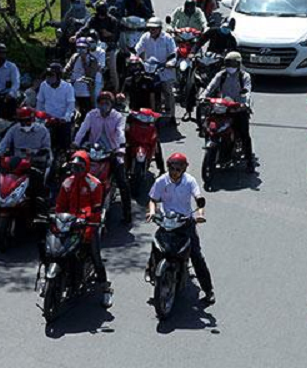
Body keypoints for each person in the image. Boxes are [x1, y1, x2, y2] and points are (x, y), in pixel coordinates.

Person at [146, 153, 215, 306]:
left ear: (184, 169)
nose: (174, 171)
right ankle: (150, 270)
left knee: (196, 255)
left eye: (178, 169)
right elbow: (153, 199)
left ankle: (208, 290)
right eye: (171, 168)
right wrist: (152, 211)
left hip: (185, 223)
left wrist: (200, 215)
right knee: (156, 245)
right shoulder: (161, 181)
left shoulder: (190, 181)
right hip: (167, 222)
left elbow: (199, 200)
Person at [51, 151, 113, 307]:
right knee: (52, 248)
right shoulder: (67, 183)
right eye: (73, 167)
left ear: (86, 167)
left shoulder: (95, 184)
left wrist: (89, 224)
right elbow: (60, 205)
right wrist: (56, 219)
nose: (75, 171)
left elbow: (97, 210)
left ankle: (105, 289)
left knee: (95, 255)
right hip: (68, 224)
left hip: (88, 225)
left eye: (79, 167)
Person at [73, 92, 133, 224]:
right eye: (101, 102)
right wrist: (76, 144)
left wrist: (121, 148)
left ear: (112, 105)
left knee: (122, 182)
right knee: (74, 172)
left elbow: (120, 132)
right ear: (97, 103)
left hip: (112, 151)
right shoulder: (92, 115)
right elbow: (83, 129)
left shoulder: (118, 117)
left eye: (107, 103)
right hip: (93, 151)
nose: (104, 105)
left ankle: (127, 214)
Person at [200, 51, 255, 173]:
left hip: (238, 108)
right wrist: (203, 97)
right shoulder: (221, 75)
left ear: (238, 64)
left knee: (244, 134)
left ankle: (249, 161)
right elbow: (210, 87)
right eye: (228, 63)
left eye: (233, 63)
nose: (230, 66)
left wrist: (244, 103)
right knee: (208, 125)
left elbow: (247, 91)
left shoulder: (244, 76)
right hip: (222, 106)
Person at [0, 106, 52, 204]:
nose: (25, 124)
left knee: (36, 181)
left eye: (28, 121)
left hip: (36, 161)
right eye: (22, 121)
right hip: (17, 161)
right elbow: (4, 143)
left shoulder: (43, 131)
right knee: (2, 178)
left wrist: (34, 152)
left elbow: (46, 149)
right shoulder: (14, 129)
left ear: (33, 119)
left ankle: (36, 202)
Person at [135, 17, 177, 124]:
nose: (152, 30)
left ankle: (171, 115)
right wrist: (134, 58)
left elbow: (173, 54)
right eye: (150, 28)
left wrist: (170, 63)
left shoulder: (167, 38)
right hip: (148, 69)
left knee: (168, 91)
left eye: (154, 28)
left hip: (164, 70)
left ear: (160, 28)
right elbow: (137, 49)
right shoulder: (145, 37)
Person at [37, 63, 75, 153]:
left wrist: (65, 118)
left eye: (51, 75)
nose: (48, 78)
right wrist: (39, 117)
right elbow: (40, 102)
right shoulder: (43, 85)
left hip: (62, 120)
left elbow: (70, 105)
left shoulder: (68, 87)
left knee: (64, 145)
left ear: (58, 76)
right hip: (47, 120)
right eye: (47, 75)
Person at [83, 3, 121, 90]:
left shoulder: (113, 20)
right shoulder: (93, 19)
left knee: (112, 69)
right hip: (94, 48)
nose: (101, 17)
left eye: (103, 15)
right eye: (100, 15)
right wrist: (76, 35)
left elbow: (116, 36)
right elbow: (85, 28)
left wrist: (109, 34)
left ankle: (116, 91)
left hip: (109, 48)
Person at [65, 37, 99, 119]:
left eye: (83, 48)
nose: (80, 50)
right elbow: (67, 68)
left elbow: (90, 76)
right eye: (78, 48)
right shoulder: (75, 56)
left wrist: (84, 62)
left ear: (87, 48)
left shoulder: (92, 60)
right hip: (73, 86)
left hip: (85, 90)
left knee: (86, 111)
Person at [87, 34, 107, 101]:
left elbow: (100, 67)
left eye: (92, 42)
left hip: (97, 78)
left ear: (96, 42)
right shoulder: (85, 50)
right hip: (85, 76)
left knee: (95, 97)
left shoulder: (101, 52)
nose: (90, 44)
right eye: (88, 42)